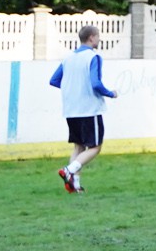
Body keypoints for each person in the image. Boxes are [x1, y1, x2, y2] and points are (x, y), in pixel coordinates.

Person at [49, 24, 119, 193]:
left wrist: (72, 90)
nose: (99, 39)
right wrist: (110, 94)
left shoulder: (68, 58)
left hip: (71, 109)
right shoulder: (93, 57)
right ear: (91, 38)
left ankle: (75, 185)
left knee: (78, 147)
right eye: (98, 36)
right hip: (89, 109)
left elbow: (54, 80)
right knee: (95, 147)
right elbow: (95, 83)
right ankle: (68, 171)